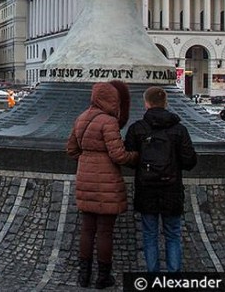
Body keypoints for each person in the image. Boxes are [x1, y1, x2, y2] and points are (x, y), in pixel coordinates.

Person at [67, 81, 138, 289]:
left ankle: (84, 276)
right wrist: (135, 156)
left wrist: (87, 160)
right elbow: (118, 155)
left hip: (85, 179)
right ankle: (103, 277)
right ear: (112, 99)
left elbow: (71, 149)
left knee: (87, 229)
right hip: (107, 182)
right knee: (105, 231)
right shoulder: (108, 121)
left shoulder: (81, 118)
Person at [124, 86, 198, 274]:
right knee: (173, 235)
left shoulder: (137, 128)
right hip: (171, 189)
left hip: (146, 189)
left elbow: (130, 159)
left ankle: (153, 277)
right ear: (166, 103)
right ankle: (173, 277)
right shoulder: (179, 130)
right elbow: (190, 161)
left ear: (146, 104)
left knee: (150, 235)